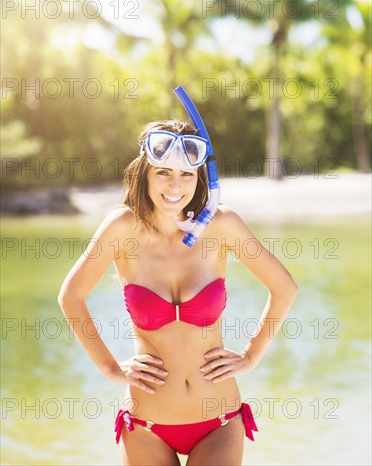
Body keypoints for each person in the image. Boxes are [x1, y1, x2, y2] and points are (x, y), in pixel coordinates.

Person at [58, 114, 298, 465]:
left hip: (218, 421)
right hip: (146, 425)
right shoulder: (122, 229)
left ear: (199, 177)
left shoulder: (222, 225)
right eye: (164, 172)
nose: (175, 185)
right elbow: (71, 296)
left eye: (186, 173)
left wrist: (251, 355)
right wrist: (109, 368)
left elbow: (284, 288)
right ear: (146, 173)